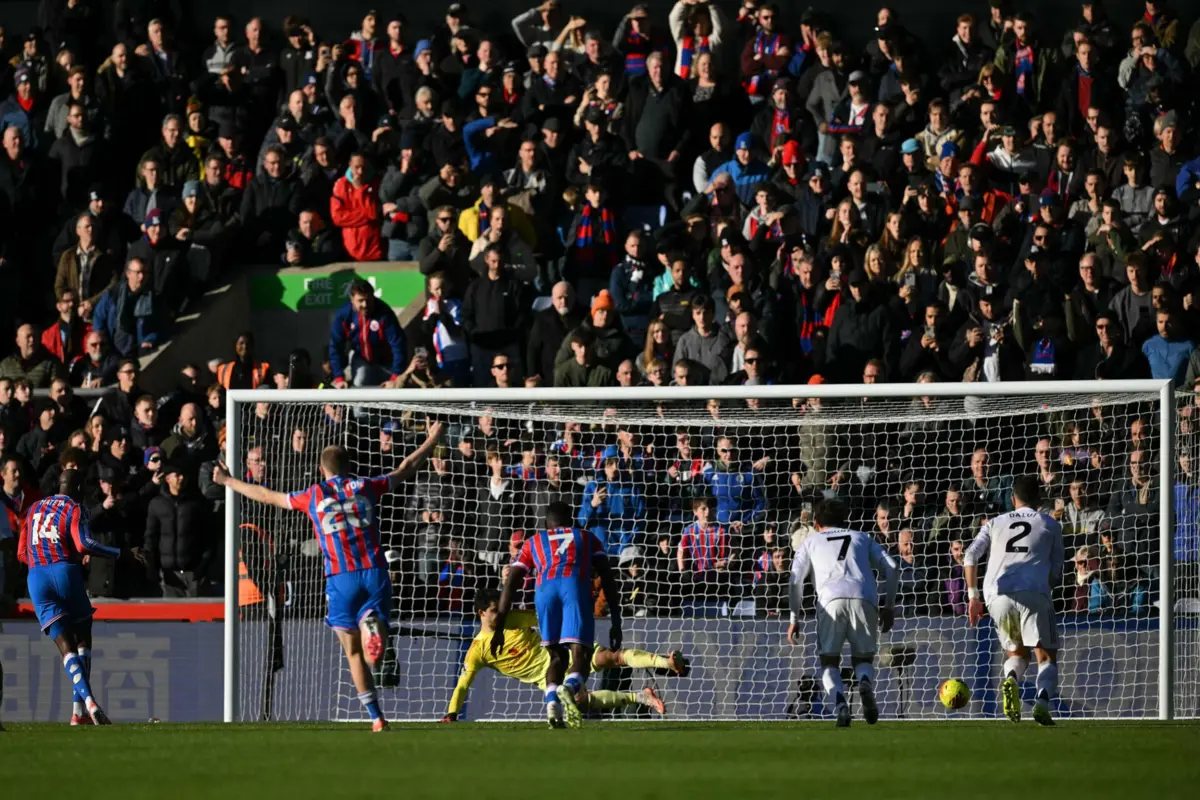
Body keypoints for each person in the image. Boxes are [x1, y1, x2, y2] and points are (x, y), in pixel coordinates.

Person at [213, 421, 446, 733]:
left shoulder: (312, 495)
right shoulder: (365, 486)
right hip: (375, 572)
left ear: (322, 470)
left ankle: (376, 718)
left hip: (341, 577)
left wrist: (228, 480)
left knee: (352, 653)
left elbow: (267, 495)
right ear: (349, 467)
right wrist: (431, 440)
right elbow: (405, 467)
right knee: (373, 633)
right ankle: (371, 627)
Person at [440, 587, 688, 722]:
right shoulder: (477, 651)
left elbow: (546, 616)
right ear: (482, 613)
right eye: (495, 611)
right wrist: (452, 713)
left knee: (610, 658)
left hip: (562, 654)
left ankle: (666, 662)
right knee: (583, 702)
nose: (501, 614)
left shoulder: (513, 618)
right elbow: (463, 685)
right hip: (546, 679)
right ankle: (641, 697)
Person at [19, 468, 145, 725]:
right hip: (64, 571)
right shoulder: (74, 507)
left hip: (36, 578)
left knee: (64, 646)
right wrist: (122, 553)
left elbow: (22, 552)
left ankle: (82, 709)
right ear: (78, 489)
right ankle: (83, 706)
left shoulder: (33, 509)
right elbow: (84, 544)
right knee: (83, 637)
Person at [494, 501, 623, 729]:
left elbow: (512, 582)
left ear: (546, 524)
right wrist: (616, 620)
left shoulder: (534, 541)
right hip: (573, 587)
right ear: (571, 521)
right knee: (580, 655)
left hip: (544, 591)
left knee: (556, 657)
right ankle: (570, 688)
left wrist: (500, 626)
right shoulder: (587, 537)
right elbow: (607, 575)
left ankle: (552, 703)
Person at [786, 497, 898, 727]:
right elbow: (893, 567)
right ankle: (865, 681)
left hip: (830, 601)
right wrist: (889, 607)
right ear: (844, 520)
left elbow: (795, 580)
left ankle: (840, 704)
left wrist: (794, 618)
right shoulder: (862, 537)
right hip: (864, 598)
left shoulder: (811, 541)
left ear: (816, 523)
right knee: (863, 658)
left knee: (829, 662)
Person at [964, 476, 1063, 727]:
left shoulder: (995, 522)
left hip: (998, 596)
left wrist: (973, 597)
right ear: (1039, 500)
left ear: (1012, 499)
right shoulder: (1050, 524)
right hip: (1034, 592)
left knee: (1017, 652)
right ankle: (1041, 703)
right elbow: (1057, 571)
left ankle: (1010, 677)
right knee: (1046, 657)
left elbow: (970, 555)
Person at [328, 278, 406, 387]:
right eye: (360, 300)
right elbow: (336, 346)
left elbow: (398, 344)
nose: (365, 305)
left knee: (396, 388)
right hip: (362, 359)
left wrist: (396, 376)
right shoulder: (343, 315)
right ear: (352, 299)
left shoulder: (385, 313)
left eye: (368, 300)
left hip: (388, 361)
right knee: (359, 383)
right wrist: (339, 377)